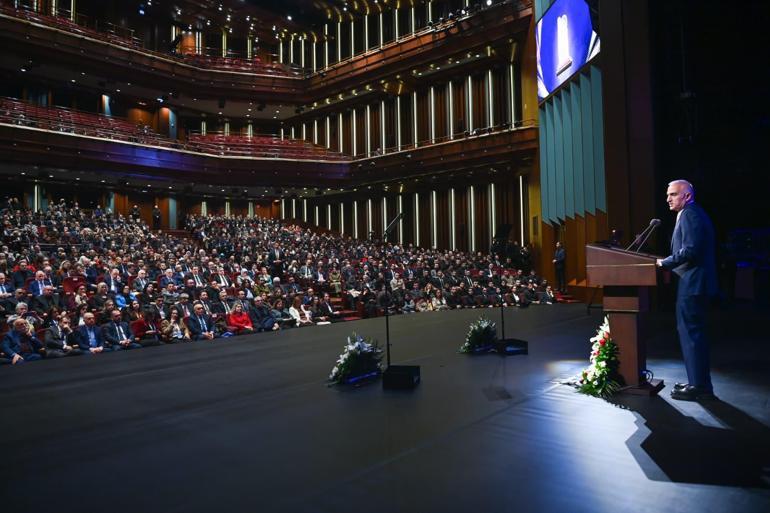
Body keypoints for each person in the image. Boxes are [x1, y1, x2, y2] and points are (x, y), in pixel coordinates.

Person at [656, 180, 717, 401]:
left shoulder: (691, 214)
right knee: (691, 334)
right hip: (692, 283)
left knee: (692, 335)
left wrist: (665, 262)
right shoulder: (690, 213)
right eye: (667, 195)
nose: (668, 199)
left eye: (673, 194)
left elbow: (690, 250)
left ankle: (699, 386)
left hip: (693, 284)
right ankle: (697, 382)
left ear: (687, 196)